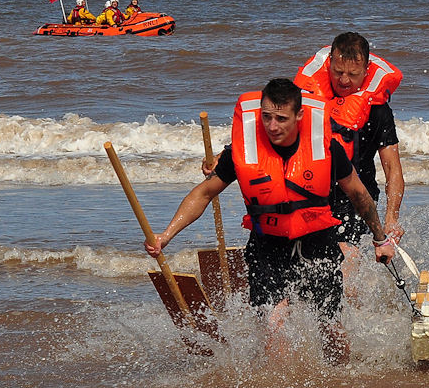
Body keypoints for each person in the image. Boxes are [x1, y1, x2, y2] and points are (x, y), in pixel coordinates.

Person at [145, 78, 396, 363]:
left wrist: (380, 239)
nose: (272, 126)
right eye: (266, 117)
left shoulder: (326, 148)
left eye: (281, 118)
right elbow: (203, 193)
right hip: (267, 246)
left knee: (330, 327)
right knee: (274, 324)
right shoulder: (243, 151)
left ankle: (341, 383)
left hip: (317, 240)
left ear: (300, 116)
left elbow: (359, 194)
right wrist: (166, 235)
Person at [293, 32, 406, 257]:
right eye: (338, 72)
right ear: (328, 66)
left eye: (353, 74)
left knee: (348, 261)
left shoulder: (379, 110)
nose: (344, 80)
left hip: (358, 199)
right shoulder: (305, 102)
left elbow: (392, 167)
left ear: (366, 72)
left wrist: (391, 218)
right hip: (314, 195)